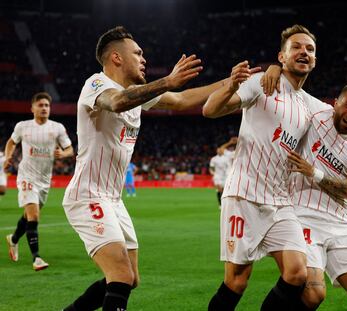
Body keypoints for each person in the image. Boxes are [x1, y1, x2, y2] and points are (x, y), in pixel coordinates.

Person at [62, 26, 230, 311]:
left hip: (113, 199)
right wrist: (167, 80)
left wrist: (232, 82)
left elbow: (181, 101)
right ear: (116, 57)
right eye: (137, 53)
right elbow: (115, 102)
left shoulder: (137, 92)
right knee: (121, 276)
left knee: (131, 279)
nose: (143, 59)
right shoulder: (96, 84)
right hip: (87, 195)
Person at [203, 24, 319, 310]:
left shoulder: (308, 107)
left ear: (315, 59)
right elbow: (210, 110)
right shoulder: (261, 83)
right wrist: (232, 84)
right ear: (282, 56)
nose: (304, 52)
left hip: (280, 202)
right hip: (245, 195)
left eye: (310, 49)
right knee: (237, 282)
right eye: (297, 47)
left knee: (297, 273)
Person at [285, 84, 347, 310]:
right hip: (302, 214)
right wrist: (274, 70)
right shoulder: (316, 110)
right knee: (313, 293)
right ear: (336, 102)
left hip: (340, 222)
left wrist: (313, 172)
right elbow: (289, 86)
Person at [3, 92, 73, 271]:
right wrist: (9, 157)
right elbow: (11, 142)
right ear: (32, 108)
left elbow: (70, 149)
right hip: (27, 176)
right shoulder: (23, 126)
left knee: (28, 217)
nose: (44, 108)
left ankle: (13, 239)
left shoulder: (57, 128)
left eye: (47, 106)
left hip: (44, 179)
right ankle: (37, 258)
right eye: (40, 105)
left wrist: (62, 154)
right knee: (34, 216)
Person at [209, 137, 238, 207]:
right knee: (220, 189)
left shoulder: (233, 154)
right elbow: (222, 148)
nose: (220, 150)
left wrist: (239, 142)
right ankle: (221, 204)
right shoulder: (218, 157)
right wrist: (230, 142)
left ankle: (226, 204)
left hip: (228, 176)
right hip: (218, 176)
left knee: (226, 191)